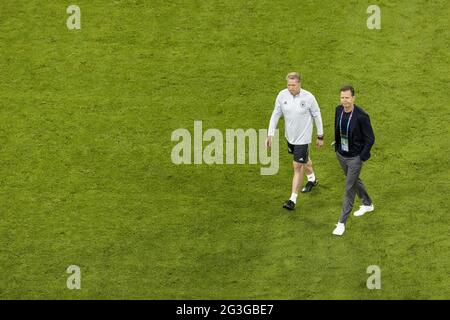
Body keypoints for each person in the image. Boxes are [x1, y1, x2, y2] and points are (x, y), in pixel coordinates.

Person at [266, 72, 324, 211]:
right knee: (304, 160)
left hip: (303, 138)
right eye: (288, 85)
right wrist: (270, 133)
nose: (290, 87)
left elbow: (317, 115)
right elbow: (276, 113)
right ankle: (312, 179)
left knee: (297, 166)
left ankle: (292, 199)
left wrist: (320, 136)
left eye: (293, 85)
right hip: (290, 137)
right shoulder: (282, 95)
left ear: (299, 84)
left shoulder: (308, 97)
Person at [332, 85, 375, 236]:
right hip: (341, 154)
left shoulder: (361, 116)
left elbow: (370, 139)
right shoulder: (338, 110)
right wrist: (337, 146)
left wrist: (360, 158)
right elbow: (337, 128)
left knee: (349, 188)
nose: (345, 101)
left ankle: (341, 223)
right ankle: (367, 203)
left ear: (353, 98)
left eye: (347, 98)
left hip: (354, 158)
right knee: (355, 181)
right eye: (342, 98)